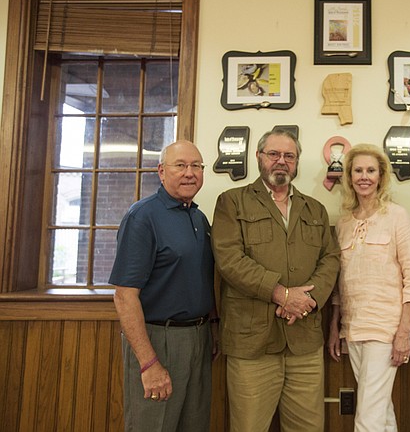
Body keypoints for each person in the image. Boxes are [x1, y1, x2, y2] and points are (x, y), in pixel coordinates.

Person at [211, 128, 340, 432]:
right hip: (252, 342)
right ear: (259, 157)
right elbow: (229, 260)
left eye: (289, 156)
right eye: (274, 154)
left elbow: (330, 259)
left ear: (296, 163)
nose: (281, 161)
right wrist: (282, 294)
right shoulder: (232, 202)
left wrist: (306, 300)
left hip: (305, 342)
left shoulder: (315, 209)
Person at [110, 140, 219, 432]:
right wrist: (149, 364)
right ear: (161, 171)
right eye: (180, 165)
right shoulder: (142, 216)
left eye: (196, 166)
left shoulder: (199, 218)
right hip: (158, 339)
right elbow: (124, 296)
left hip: (199, 338)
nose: (189, 173)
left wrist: (213, 327)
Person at [327, 144, 410, 431]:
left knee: (367, 414)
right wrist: (335, 327)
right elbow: (338, 284)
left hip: (385, 329)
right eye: (358, 170)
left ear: (381, 176)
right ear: (349, 176)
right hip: (353, 327)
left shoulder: (397, 216)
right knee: (380, 410)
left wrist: (404, 334)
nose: (364, 176)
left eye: (371, 170)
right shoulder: (344, 223)